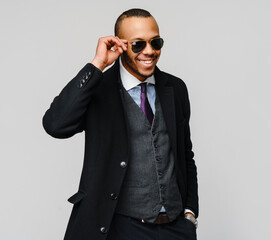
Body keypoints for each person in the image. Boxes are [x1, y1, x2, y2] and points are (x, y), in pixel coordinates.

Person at [42, 8, 198, 240]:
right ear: (120, 45)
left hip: (175, 228)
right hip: (121, 228)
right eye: (138, 45)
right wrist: (97, 65)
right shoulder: (99, 89)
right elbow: (55, 124)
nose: (149, 51)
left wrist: (190, 213)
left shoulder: (175, 88)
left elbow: (185, 155)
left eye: (156, 42)